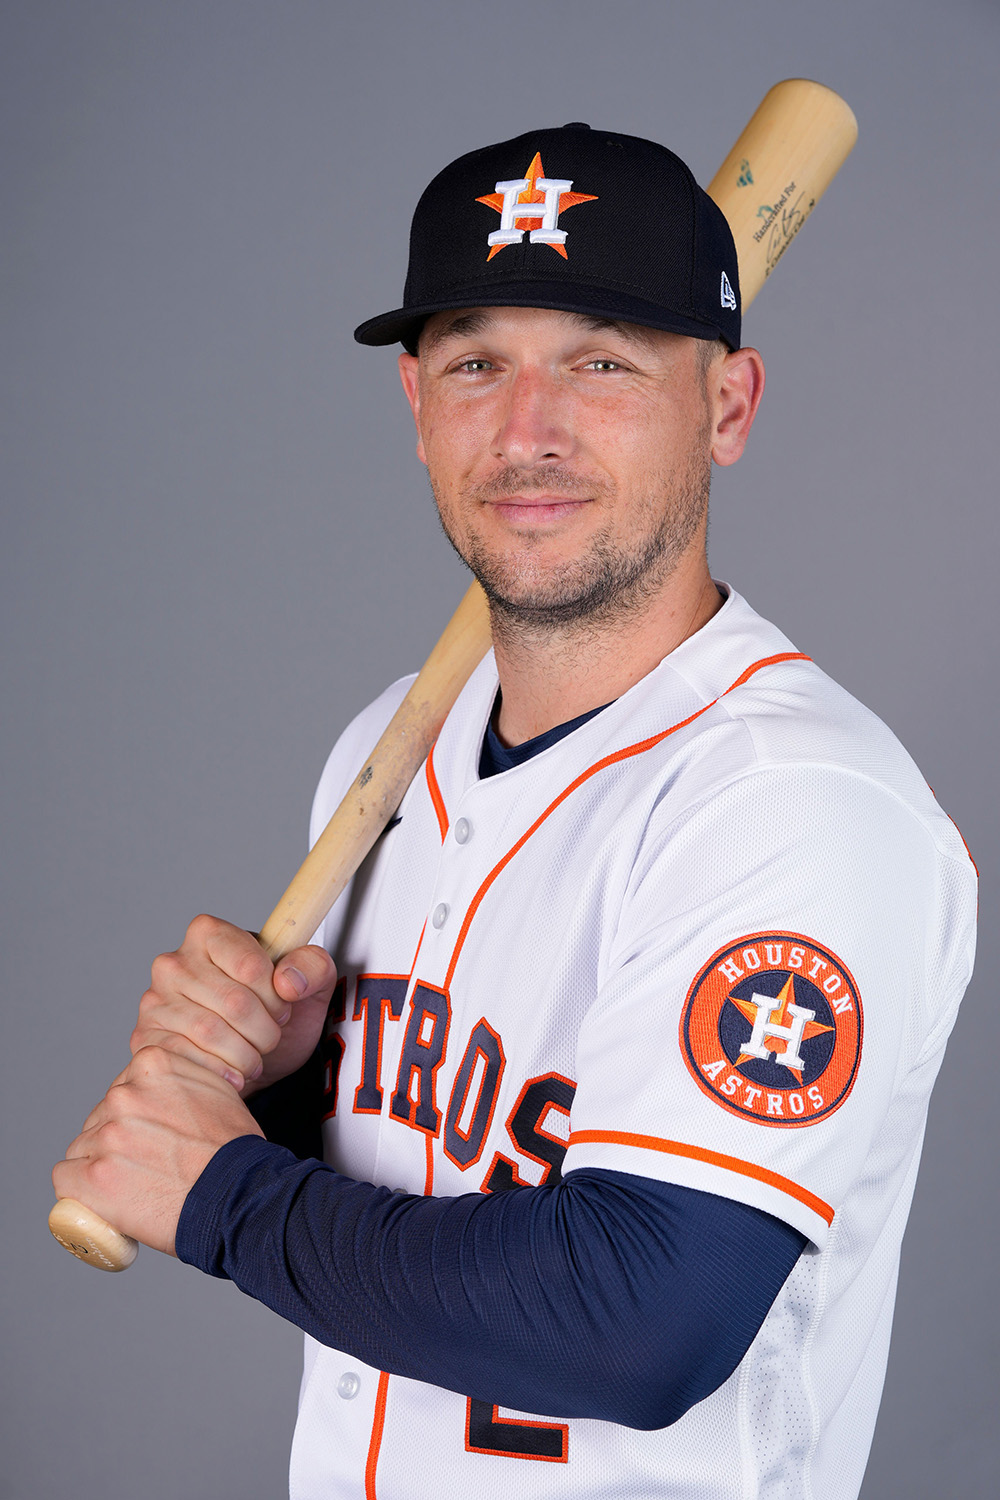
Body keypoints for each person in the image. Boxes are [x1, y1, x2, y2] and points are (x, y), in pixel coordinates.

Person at [53, 125, 977, 1500]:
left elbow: (643, 1318)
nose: (528, 431)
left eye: (602, 362)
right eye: (479, 363)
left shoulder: (795, 804)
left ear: (729, 406)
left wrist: (221, 1196)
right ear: (417, 404)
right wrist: (289, 1093)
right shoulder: (385, 747)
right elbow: (437, 1194)